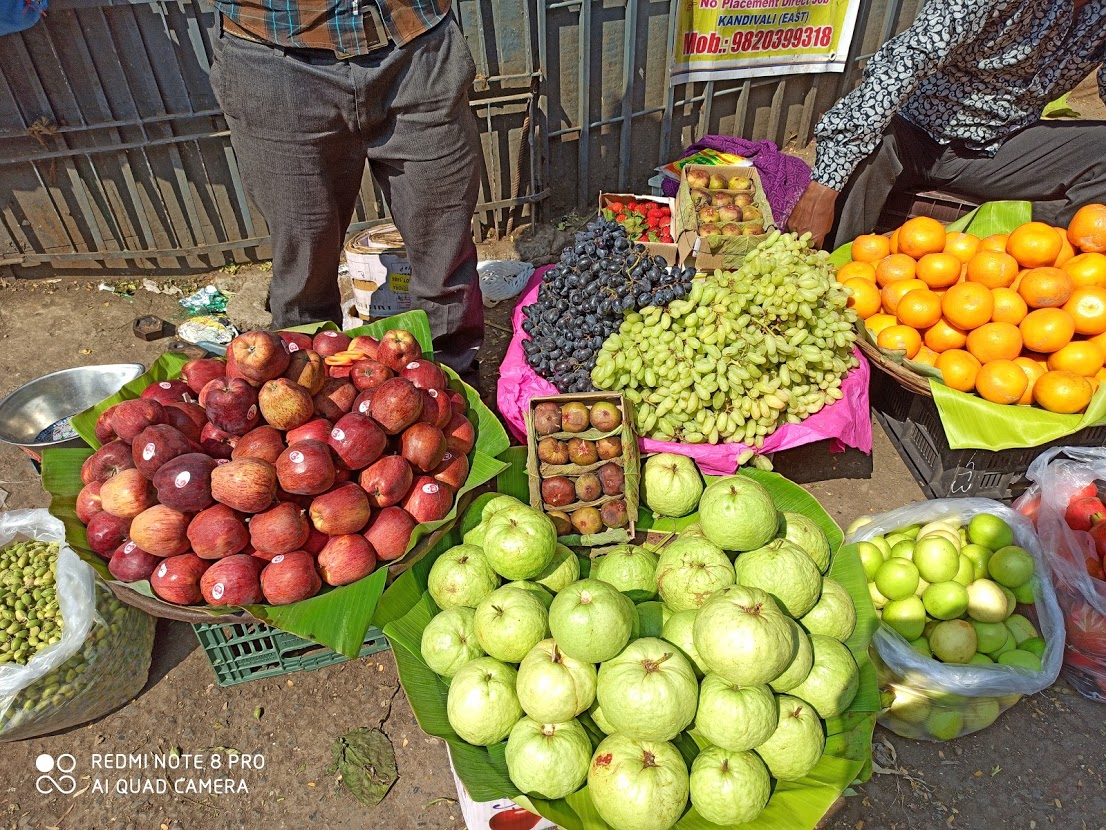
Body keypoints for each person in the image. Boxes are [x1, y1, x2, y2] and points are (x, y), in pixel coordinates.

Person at [208, 0, 485, 378]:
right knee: (304, 275)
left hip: (416, 46)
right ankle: (309, 409)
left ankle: (454, 394)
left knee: (445, 262)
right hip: (272, 59)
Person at [787, 0, 1106, 251]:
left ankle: (1044, 261)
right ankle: (831, 267)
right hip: (910, 133)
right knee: (867, 142)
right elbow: (906, 61)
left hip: (1000, 145)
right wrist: (823, 188)